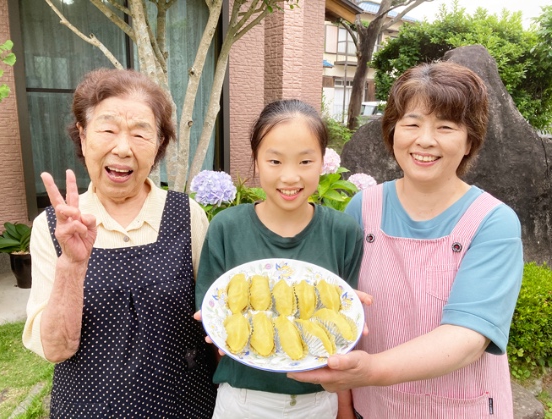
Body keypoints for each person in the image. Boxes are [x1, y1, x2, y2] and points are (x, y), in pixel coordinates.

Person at [288, 61, 524, 418]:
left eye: (445, 127)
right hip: (376, 407)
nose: (424, 140)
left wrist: (371, 370)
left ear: (469, 141)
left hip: (461, 408)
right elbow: (336, 307)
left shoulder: (492, 223)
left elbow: (467, 339)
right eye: (411, 123)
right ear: (392, 130)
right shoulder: (363, 207)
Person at [22, 68, 216, 417]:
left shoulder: (186, 214)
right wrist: (72, 266)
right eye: (108, 130)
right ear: (83, 137)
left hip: (187, 405)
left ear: (159, 145)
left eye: (141, 134)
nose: (123, 148)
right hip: (88, 408)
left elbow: (217, 312)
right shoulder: (54, 226)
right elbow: (55, 349)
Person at [194, 99, 365, 418]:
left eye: (304, 162)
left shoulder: (343, 232)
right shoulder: (227, 228)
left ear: (322, 163)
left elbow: (342, 331)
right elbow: (214, 316)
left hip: (319, 403)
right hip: (242, 402)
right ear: (256, 161)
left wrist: (344, 409)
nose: (290, 177)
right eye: (274, 161)